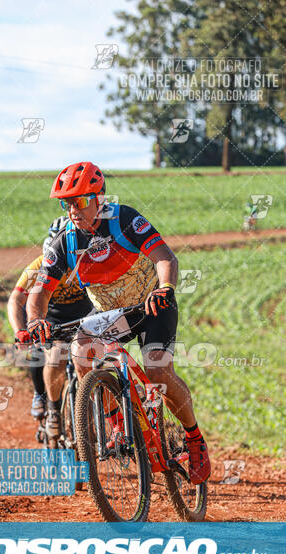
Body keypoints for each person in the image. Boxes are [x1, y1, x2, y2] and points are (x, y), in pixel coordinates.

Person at [26, 161, 211, 485]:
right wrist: (35, 321)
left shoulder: (124, 220)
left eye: (80, 201)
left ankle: (194, 438)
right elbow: (38, 293)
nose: (73, 210)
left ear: (99, 197)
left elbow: (165, 256)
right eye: (66, 203)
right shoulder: (65, 242)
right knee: (81, 351)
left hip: (153, 306)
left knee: (157, 371)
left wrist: (165, 288)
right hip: (114, 316)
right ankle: (119, 425)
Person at [7, 217, 92, 438]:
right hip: (52, 319)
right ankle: (53, 409)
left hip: (86, 317)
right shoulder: (38, 265)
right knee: (54, 356)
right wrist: (20, 330)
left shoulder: (88, 259)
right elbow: (16, 300)